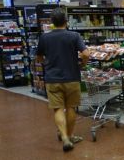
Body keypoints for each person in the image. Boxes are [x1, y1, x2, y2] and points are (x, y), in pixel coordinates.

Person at [36, 8, 90, 152]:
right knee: (71, 108)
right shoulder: (74, 36)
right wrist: (82, 64)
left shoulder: (44, 37)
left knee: (58, 109)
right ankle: (70, 136)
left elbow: (39, 57)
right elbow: (86, 53)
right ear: (66, 21)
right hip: (72, 77)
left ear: (52, 22)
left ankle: (64, 138)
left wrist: (46, 63)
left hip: (52, 79)